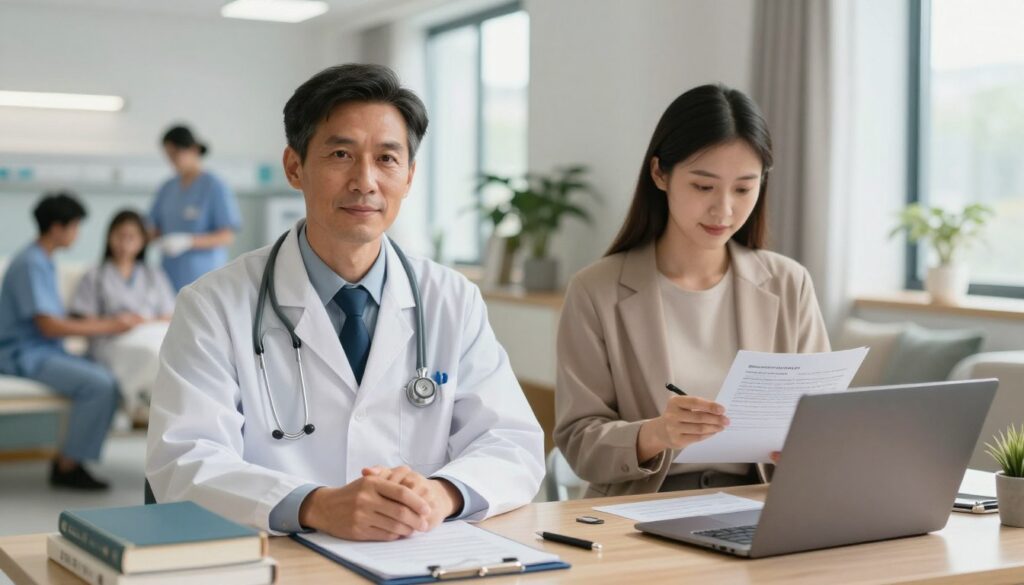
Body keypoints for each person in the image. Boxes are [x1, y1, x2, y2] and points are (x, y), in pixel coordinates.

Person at [146, 64, 545, 539]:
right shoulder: (213, 305)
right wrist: (315, 506)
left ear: (410, 175)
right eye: (341, 154)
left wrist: (441, 494)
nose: (365, 181)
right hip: (279, 558)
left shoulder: (451, 299)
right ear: (295, 167)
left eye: (387, 159)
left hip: (417, 553)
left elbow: (512, 442)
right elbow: (183, 460)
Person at [554, 84, 830, 498]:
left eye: (743, 188)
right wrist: (657, 434)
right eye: (703, 187)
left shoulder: (790, 283)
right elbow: (579, 443)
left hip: (763, 503)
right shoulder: (595, 291)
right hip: (641, 511)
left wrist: (810, 447)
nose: (724, 210)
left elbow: (824, 420)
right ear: (659, 174)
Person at [0, 193, 139, 490]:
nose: (77, 233)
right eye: (75, 226)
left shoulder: (43, 260)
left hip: (41, 348)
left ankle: (72, 459)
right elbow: (49, 326)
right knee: (100, 384)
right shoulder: (31, 264)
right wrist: (109, 325)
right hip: (22, 353)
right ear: (57, 228)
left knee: (108, 376)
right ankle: (68, 466)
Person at [70, 209, 176, 423]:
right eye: (119, 235)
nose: (124, 243)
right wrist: (117, 324)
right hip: (112, 341)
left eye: (131, 237)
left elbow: (170, 316)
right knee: (152, 353)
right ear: (109, 237)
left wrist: (142, 322)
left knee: (167, 348)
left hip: (151, 333)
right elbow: (83, 322)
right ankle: (139, 404)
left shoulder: (154, 275)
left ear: (142, 242)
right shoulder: (95, 275)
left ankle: (148, 406)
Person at [150, 124, 242, 291]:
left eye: (175, 154)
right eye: (168, 156)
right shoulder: (167, 188)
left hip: (204, 278)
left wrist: (188, 242)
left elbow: (227, 236)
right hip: (169, 277)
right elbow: (153, 226)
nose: (172, 161)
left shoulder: (214, 187)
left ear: (193, 149)